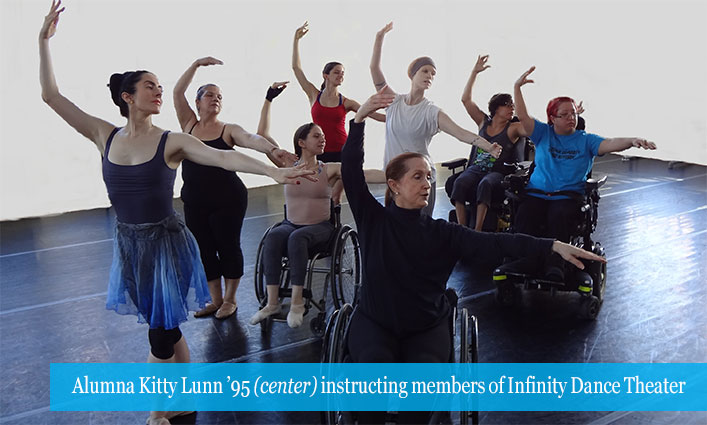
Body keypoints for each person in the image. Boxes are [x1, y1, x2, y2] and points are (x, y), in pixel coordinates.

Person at [39, 3, 314, 424]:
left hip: (165, 243)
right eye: (149, 86)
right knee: (167, 327)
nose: (158, 91)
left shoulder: (171, 140)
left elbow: (224, 159)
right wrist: (43, 42)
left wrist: (273, 171)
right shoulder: (104, 135)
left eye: (160, 86)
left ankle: (156, 413)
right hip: (130, 244)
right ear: (128, 97)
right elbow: (52, 96)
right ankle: (184, 402)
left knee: (160, 334)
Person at [342, 89, 606, 424]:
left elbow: (498, 245)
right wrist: (359, 119)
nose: (426, 183)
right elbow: (351, 172)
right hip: (376, 322)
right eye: (417, 176)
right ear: (393, 185)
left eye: (428, 176)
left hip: (425, 326)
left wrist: (550, 245)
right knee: (370, 393)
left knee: (419, 404)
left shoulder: (443, 234)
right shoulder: (372, 220)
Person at [249, 82, 385, 328]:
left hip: (321, 229)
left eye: (323, 136)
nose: (323, 139)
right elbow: (261, 135)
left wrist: (394, 174)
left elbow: (362, 173)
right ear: (301, 142)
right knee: (273, 237)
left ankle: (298, 302)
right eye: (317, 136)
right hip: (291, 224)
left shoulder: (328, 169)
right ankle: (272, 302)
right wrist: (268, 99)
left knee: (296, 239)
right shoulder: (286, 165)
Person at [173, 57, 297, 320]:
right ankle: (215, 300)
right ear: (197, 102)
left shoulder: (229, 129)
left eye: (219, 96)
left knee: (227, 246)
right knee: (203, 249)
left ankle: (230, 300)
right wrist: (195, 65)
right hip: (195, 200)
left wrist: (272, 149)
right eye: (209, 95)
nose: (215, 99)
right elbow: (176, 92)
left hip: (228, 199)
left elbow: (251, 139)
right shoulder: (188, 125)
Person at [512, 66, 656, 282]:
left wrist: (631, 141)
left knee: (558, 216)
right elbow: (522, 115)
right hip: (537, 192)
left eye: (574, 113)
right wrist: (517, 87)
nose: (572, 117)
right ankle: (527, 260)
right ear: (552, 118)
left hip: (567, 195)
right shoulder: (543, 133)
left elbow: (610, 143)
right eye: (565, 114)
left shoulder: (586, 139)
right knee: (525, 215)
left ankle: (556, 265)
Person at [370, 22, 503, 216]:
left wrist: (488, 146)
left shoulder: (431, 111)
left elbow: (460, 133)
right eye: (425, 71)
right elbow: (374, 68)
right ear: (412, 74)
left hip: (421, 180)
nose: (429, 76)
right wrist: (380, 36)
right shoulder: (393, 102)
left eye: (433, 73)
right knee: (396, 234)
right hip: (396, 181)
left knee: (421, 235)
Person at [292, 21, 385, 203]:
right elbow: (297, 69)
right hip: (319, 152)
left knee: (336, 196)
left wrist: (400, 118)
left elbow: (373, 114)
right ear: (325, 75)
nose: (340, 75)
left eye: (342, 73)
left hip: (343, 151)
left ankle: (337, 227)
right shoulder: (313, 95)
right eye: (336, 72)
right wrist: (296, 40)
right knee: (321, 195)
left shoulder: (346, 102)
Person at [450, 55, 529, 230]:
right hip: (476, 168)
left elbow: (530, 127)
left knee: (485, 184)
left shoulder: (513, 127)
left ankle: (477, 230)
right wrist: (474, 72)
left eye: (512, 105)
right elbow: (466, 100)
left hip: (498, 173)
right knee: (459, 182)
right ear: (496, 108)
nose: (511, 108)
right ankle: (462, 229)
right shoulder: (483, 122)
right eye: (507, 105)